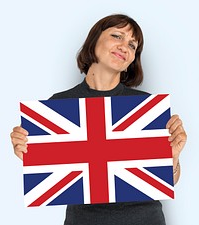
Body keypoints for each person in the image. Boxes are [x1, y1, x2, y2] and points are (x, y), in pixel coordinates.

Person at [10, 14, 187, 225]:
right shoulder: (59, 105)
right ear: (93, 41)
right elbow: (53, 177)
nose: (125, 47)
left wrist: (173, 159)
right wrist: (30, 153)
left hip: (144, 219)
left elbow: (168, 180)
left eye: (132, 45)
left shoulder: (145, 107)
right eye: (117, 36)